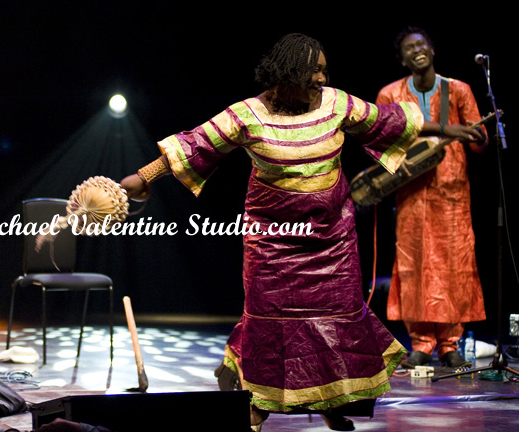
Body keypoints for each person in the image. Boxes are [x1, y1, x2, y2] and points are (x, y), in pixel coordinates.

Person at [120, 33, 484, 431]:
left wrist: (448, 131)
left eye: (325, 70)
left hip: (332, 241)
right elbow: (197, 143)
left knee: (334, 324)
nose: (322, 78)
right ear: (290, 72)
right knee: (268, 325)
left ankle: (329, 401)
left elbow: (390, 120)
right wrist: (144, 176)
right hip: (272, 244)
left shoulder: (336, 103)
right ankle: (257, 403)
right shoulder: (248, 114)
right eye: (315, 70)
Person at [376, 26, 488, 370]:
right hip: (412, 191)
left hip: (452, 193)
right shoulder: (390, 94)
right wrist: (441, 129)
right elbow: (384, 136)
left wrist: (479, 135)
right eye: (409, 48)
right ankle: (421, 343)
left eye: (422, 45)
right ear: (402, 58)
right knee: (415, 266)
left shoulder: (458, 90)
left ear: (433, 50)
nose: (417, 51)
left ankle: (449, 343)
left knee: (454, 266)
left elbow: (476, 143)